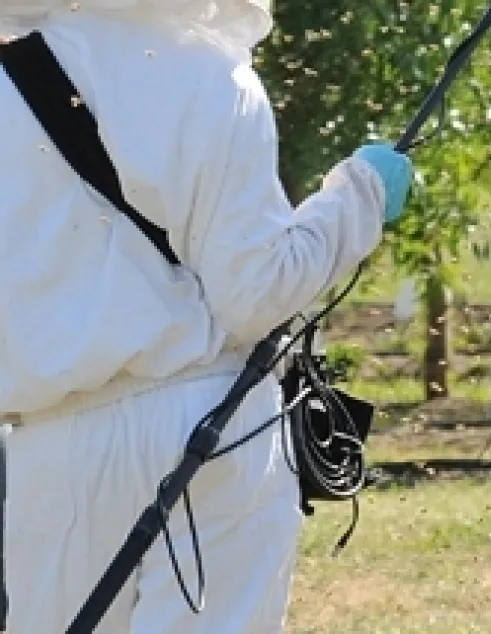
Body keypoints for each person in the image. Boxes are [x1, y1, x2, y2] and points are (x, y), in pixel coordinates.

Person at [0, 2, 414, 632]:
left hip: (50, 450)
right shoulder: (211, 77)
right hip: (208, 426)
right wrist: (360, 197)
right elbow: (257, 294)